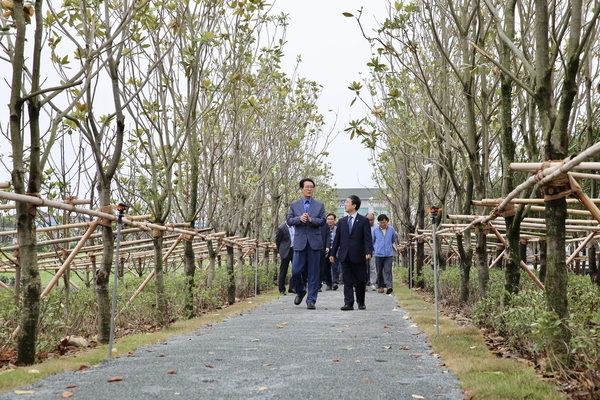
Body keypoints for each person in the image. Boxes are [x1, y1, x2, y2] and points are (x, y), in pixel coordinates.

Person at [287, 178, 326, 310]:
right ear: (301, 189)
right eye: (307, 187)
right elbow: (289, 220)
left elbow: (322, 221)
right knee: (296, 270)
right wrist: (299, 219)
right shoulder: (294, 205)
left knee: (314, 273)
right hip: (300, 242)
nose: (309, 189)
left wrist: (311, 219)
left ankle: (311, 300)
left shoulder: (319, 205)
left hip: (314, 242)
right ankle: (300, 290)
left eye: (312, 187)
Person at [330, 195, 373, 311]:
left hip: (358, 255)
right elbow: (337, 239)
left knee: (360, 280)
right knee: (347, 280)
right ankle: (348, 303)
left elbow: (367, 238)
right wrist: (332, 254)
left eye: (347, 202)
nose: (345, 204)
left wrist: (368, 251)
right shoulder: (342, 221)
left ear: (354, 205)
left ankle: (361, 301)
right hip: (344, 255)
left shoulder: (363, 221)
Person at [372, 214, 397, 294]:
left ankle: (389, 286)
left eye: (384, 222)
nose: (383, 224)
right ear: (378, 223)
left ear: (387, 221)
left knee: (388, 270)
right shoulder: (375, 230)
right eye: (381, 223)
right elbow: (373, 241)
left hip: (388, 254)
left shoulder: (391, 229)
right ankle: (380, 286)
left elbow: (393, 239)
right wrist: (377, 248)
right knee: (379, 272)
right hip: (378, 254)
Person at [275, 222, 295, 295]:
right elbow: (277, 240)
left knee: (295, 270)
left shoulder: (295, 226)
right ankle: (282, 289)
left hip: (294, 250)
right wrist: (280, 250)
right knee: (283, 270)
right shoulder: (281, 228)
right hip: (285, 251)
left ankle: (292, 287)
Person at [323, 213, 340, 290]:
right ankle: (328, 283)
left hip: (335, 249)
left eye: (331, 219)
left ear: (334, 220)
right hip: (326, 250)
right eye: (328, 219)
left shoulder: (337, 229)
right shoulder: (323, 229)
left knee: (335, 267)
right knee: (326, 268)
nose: (330, 221)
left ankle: (335, 282)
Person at [365, 212, 377, 291]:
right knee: (363, 267)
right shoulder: (362, 226)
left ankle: (373, 283)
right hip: (364, 250)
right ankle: (364, 283)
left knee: (373, 267)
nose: (370, 221)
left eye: (372, 220)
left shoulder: (376, 227)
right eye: (368, 220)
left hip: (373, 249)